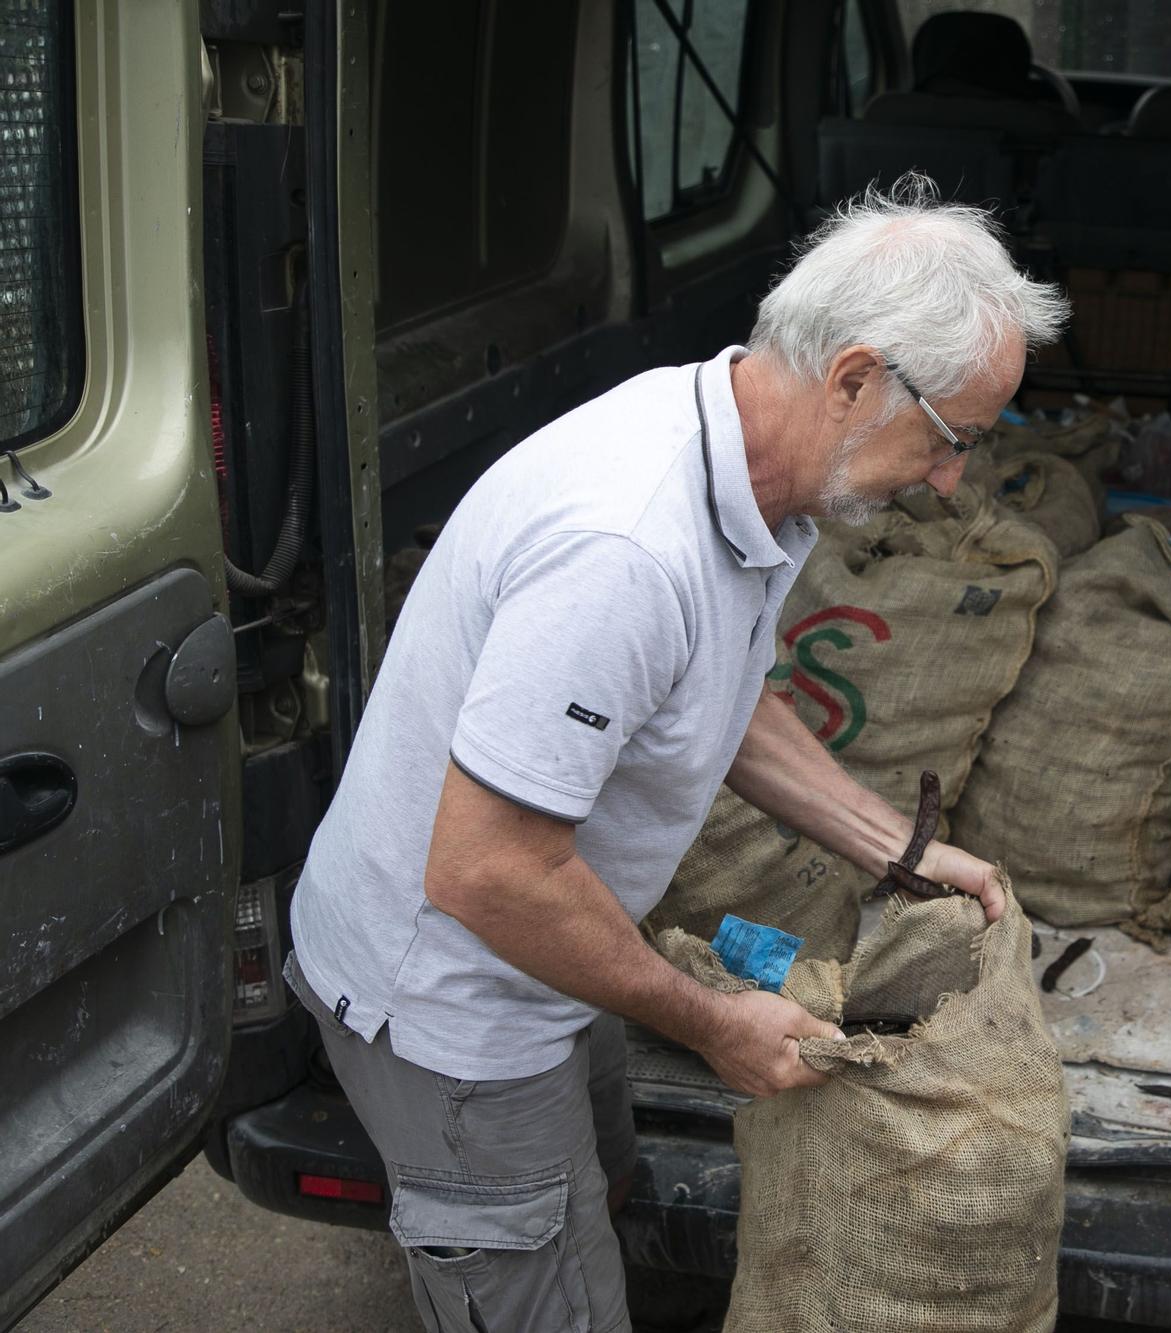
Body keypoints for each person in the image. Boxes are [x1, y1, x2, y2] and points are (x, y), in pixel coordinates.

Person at [283, 173, 1070, 1332]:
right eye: (953, 439)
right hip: (454, 1001)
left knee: (591, 1197)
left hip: (538, 963)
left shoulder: (755, 462)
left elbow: (717, 693)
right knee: (544, 1295)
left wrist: (897, 847)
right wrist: (710, 1022)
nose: (953, 482)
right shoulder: (626, 550)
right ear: (853, 377)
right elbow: (484, 871)